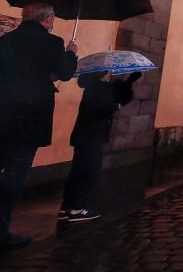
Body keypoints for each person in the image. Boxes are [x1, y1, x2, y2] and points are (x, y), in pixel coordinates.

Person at [0, 3, 78, 251]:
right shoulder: (53, 43)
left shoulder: (6, 40)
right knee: (14, 177)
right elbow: (65, 73)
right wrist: (72, 53)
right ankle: (1, 230)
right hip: (29, 120)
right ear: (46, 20)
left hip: (2, 115)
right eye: (52, 19)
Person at [59, 71, 141, 223]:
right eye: (106, 72)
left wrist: (128, 82)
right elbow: (102, 107)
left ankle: (68, 206)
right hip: (91, 136)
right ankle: (77, 209)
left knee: (78, 171)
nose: (109, 74)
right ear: (101, 73)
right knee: (88, 172)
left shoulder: (94, 86)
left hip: (85, 136)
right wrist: (117, 104)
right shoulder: (96, 87)